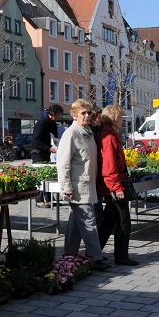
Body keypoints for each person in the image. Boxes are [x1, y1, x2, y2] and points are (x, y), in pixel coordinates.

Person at [56, 99, 110, 271]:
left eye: (88, 113)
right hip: (78, 187)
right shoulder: (71, 134)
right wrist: (66, 187)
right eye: (83, 113)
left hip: (88, 184)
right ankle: (96, 257)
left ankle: (69, 255)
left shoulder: (87, 132)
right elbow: (62, 163)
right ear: (74, 115)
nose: (87, 116)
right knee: (89, 222)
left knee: (76, 222)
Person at [96, 105, 139, 266]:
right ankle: (121, 256)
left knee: (109, 221)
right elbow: (109, 166)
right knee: (122, 221)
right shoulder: (109, 138)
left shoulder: (112, 136)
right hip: (113, 186)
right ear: (113, 119)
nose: (122, 120)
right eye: (120, 117)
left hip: (112, 185)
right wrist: (116, 187)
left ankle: (94, 251)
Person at [31, 104, 63, 207]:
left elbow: (54, 138)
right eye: (58, 115)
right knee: (40, 176)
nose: (59, 117)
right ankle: (39, 200)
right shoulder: (41, 124)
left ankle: (49, 199)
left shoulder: (53, 124)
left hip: (48, 153)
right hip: (38, 153)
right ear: (52, 114)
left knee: (48, 175)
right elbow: (36, 141)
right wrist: (48, 148)